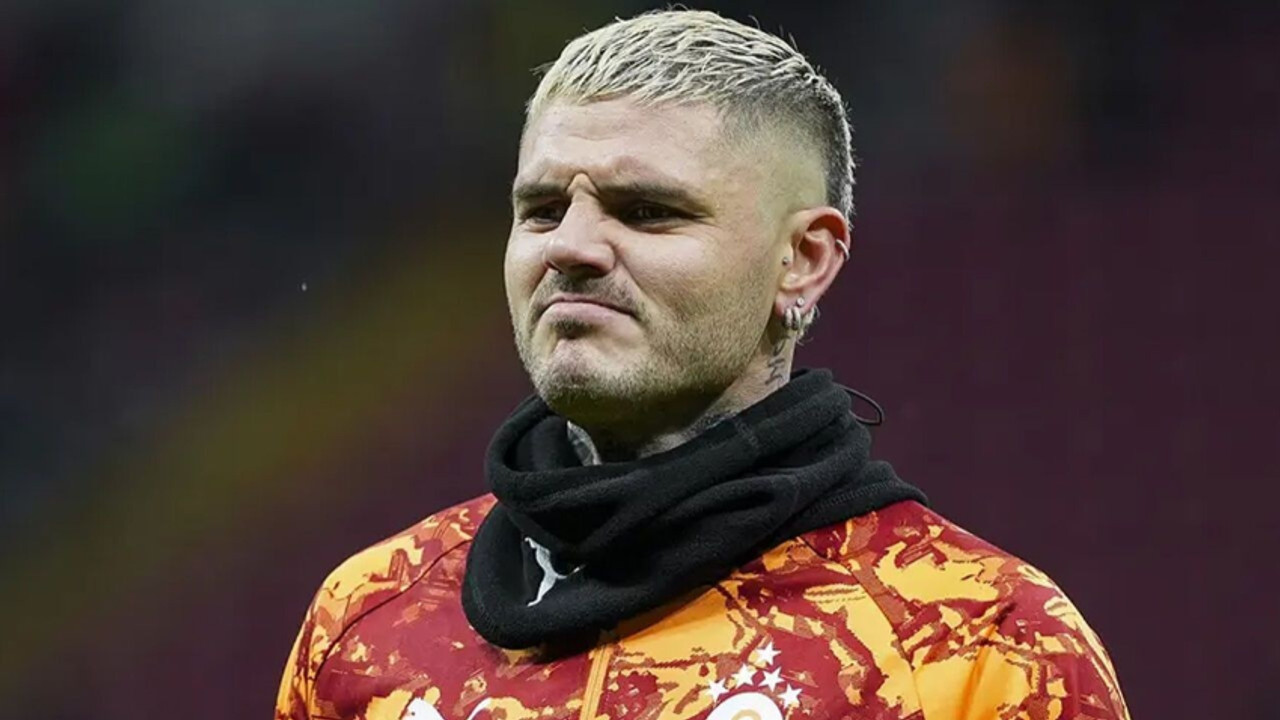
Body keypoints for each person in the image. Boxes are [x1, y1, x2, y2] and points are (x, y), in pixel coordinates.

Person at [275, 9, 1129, 720]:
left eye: (647, 211)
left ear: (803, 261)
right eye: (541, 209)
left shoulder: (979, 644)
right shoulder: (367, 621)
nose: (570, 246)